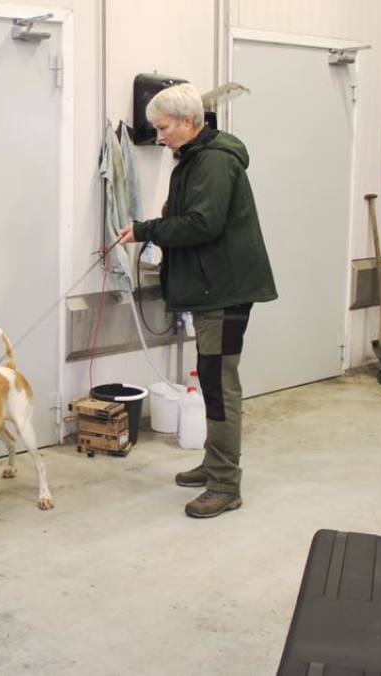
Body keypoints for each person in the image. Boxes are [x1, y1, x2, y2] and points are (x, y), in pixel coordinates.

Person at [118, 83, 277, 518]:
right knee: (211, 379)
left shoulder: (213, 162)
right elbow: (183, 216)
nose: (159, 136)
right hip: (213, 289)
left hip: (225, 291)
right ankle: (214, 463)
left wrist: (148, 230)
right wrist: (150, 229)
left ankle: (225, 484)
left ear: (189, 122)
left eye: (164, 128)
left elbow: (203, 223)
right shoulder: (192, 159)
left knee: (220, 385)